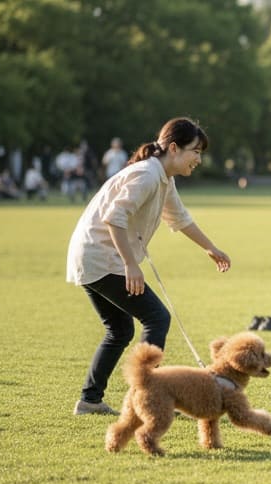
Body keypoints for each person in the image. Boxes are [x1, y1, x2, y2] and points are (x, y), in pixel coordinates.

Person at [65, 117, 231, 415]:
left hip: (92, 257)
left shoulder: (164, 178)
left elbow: (180, 218)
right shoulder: (147, 175)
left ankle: (90, 400)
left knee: (119, 329)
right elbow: (114, 218)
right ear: (173, 148)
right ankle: (148, 398)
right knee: (157, 318)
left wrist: (211, 248)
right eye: (195, 151)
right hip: (103, 257)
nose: (199, 159)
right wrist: (130, 264)